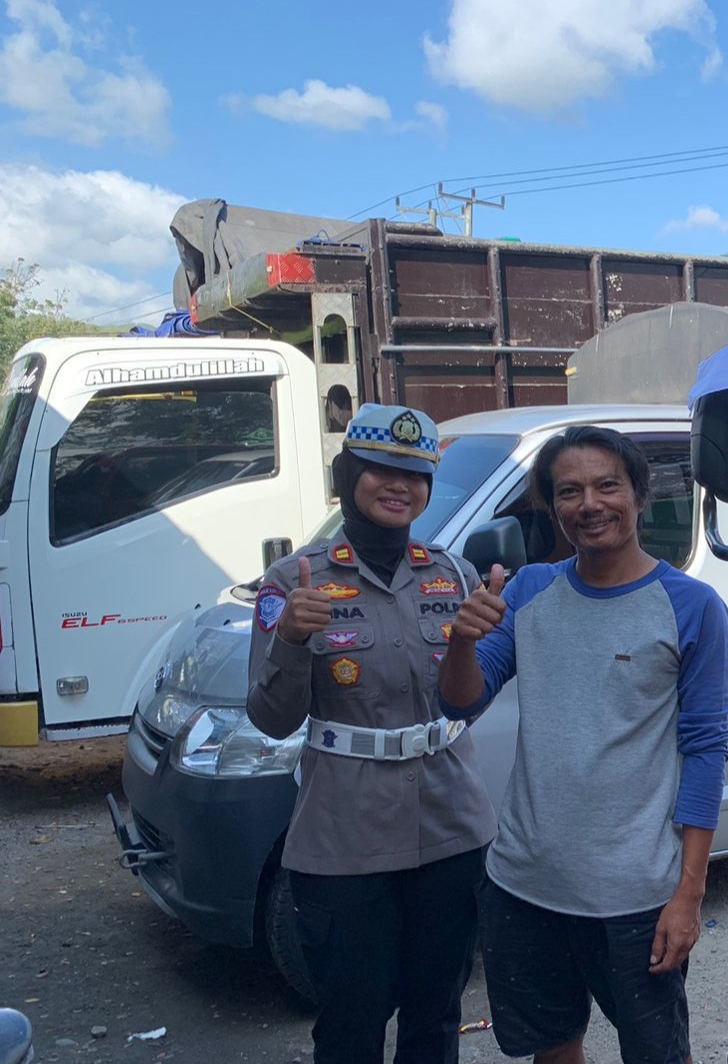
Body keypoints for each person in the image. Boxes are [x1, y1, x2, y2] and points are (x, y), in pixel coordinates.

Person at [438, 425, 728, 1064]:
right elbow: (461, 701)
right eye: (569, 491)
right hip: (524, 884)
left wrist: (689, 893)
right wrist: (461, 642)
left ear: (639, 495)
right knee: (551, 1049)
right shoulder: (529, 591)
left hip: (636, 896)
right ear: (552, 507)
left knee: (656, 1053)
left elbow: (707, 750)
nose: (590, 504)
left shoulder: (692, 606)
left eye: (607, 486)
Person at [247, 403, 497, 1064]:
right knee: (351, 1023)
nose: (399, 486)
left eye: (415, 475)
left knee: (435, 1017)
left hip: (449, 826)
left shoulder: (453, 575)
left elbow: (467, 703)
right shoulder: (293, 581)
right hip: (344, 837)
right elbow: (271, 717)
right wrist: (291, 638)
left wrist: (469, 642)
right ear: (348, 475)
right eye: (381, 469)